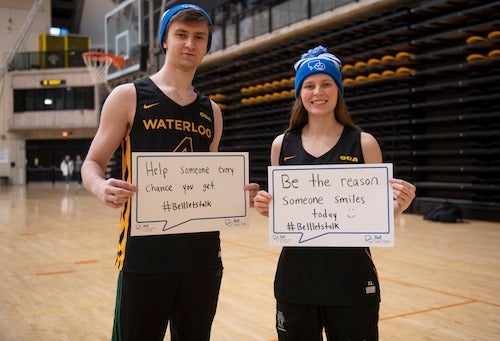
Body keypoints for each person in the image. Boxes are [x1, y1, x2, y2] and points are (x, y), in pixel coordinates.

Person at [81, 4, 225, 340]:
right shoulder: (128, 97)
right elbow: (92, 163)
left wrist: (232, 194)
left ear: (206, 46)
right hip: (143, 255)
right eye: (181, 35)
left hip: (201, 257)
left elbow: (209, 181)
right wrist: (100, 188)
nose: (190, 43)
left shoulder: (212, 112)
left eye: (199, 37)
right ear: (164, 41)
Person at [253, 46, 416, 341]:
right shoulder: (282, 145)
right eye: (309, 85)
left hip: (351, 279)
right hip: (296, 279)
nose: (318, 92)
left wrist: (398, 207)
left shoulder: (364, 143)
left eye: (326, 83)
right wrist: (268, 209)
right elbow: (288, 217)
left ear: (338, 89)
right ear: (299, 92)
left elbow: (374, 219)